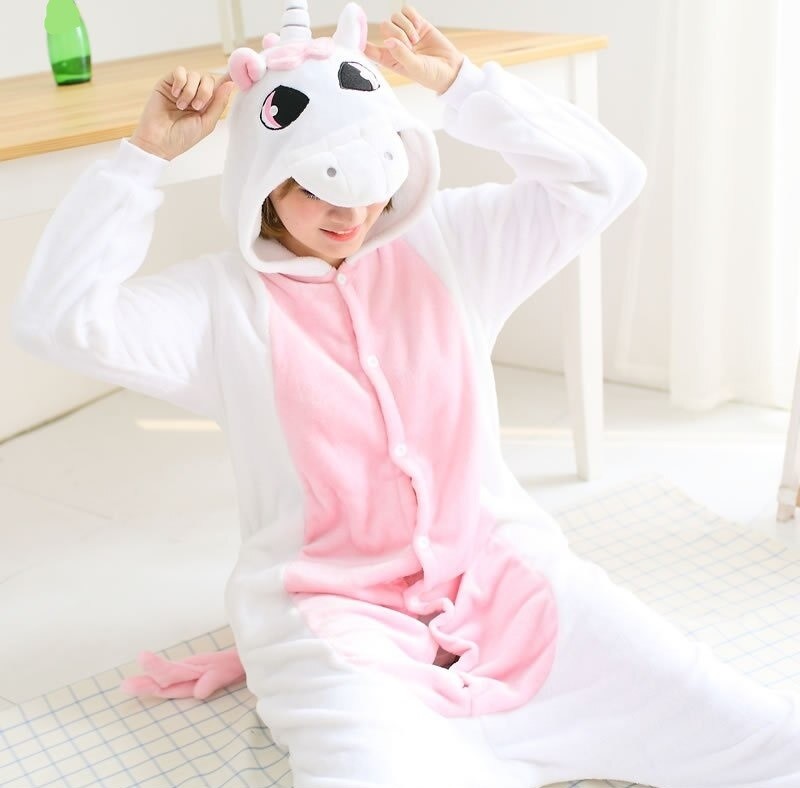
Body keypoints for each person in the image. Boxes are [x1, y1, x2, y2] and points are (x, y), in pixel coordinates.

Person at [11, 2, 799, 786]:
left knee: (755, 736)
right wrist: (142, 160)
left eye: (369, 181)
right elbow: (57, 322)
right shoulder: (220, 305)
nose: (350, 213)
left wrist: (465, 89)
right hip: (331, 612)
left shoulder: (452, 243)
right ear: (266, 183)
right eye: (317, 188)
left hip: (501, 573)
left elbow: (606, 178)